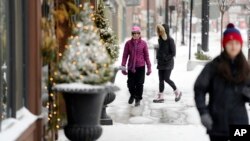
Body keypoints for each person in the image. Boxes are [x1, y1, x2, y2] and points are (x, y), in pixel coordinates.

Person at [194, 23, 250, 141]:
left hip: (240, 122)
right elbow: (199, 89)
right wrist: (203, 113)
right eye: (230, 43)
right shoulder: (214, 67)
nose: (233, 46)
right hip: (218, 122)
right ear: (224, 44)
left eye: (237, 43)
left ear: (241, 45)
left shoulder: (246, 68)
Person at [121, 26, 152, 107]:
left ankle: (137, 99)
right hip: (131, 67)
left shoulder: (143, 44)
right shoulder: (128, 43)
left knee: (139, 84)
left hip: (141, 67)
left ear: (139, 34)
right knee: (130, 84)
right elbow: (125, 56)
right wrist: (123, 66)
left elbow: (146, 56)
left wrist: (149, 67)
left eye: (137, 33)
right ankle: (133, 95)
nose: (135, 35)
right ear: (132, 34)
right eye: (134, 33)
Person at [153, 24, 182, 103]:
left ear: (165, 31)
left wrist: (166, 58)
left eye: (161, 31)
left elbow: (173, 53)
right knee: (161, 80)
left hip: (168, 63)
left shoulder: (170, 40)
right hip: (161, 63)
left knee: (166, 78)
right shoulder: (160, 40)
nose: (160, 32)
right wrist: (159, 57)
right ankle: (161, 96)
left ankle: (177, 92)